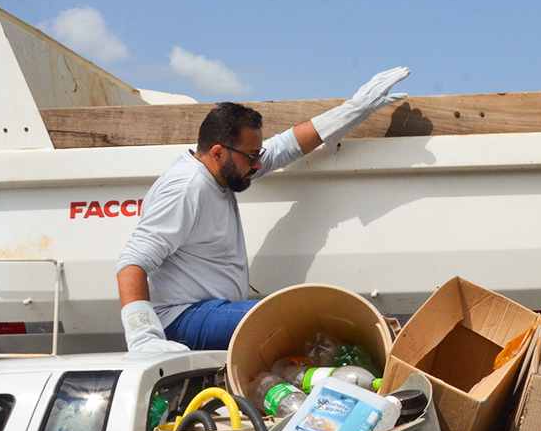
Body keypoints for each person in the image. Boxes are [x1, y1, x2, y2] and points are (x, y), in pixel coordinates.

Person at [116, 67, 410, 353]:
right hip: (180, 319)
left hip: (209, 310)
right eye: (251, 156)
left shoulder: (221, 172)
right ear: (218, 152)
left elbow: (285, 147)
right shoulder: (186, 188)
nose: (258, 164)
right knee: (288, 317)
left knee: (290, 317)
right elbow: (132, 262)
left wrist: (353, 110)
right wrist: (143, 338)